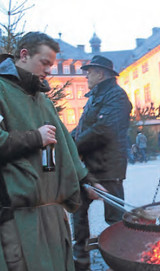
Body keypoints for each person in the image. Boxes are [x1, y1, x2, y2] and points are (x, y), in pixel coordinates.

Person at [0, 32, 100, 271]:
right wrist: (36, 137)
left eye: (52, 65)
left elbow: (65, 144)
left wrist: (86, 179)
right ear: (24, 55)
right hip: (17, 220)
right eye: (44, 63)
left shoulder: (43, 101)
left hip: (52, 217)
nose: (49, 71)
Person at [71, 55, 132, 270]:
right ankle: (81, 263)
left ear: (102, 73)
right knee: (78, 219)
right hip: (87, 169)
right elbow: (82, 128)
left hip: (108, 168)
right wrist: (66, 140)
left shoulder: (117, 96)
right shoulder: (95, 97)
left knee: (115, 220)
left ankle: (123, 260)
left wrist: (73, 146)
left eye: (90, 71)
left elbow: (104, 130)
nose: (86, 74)